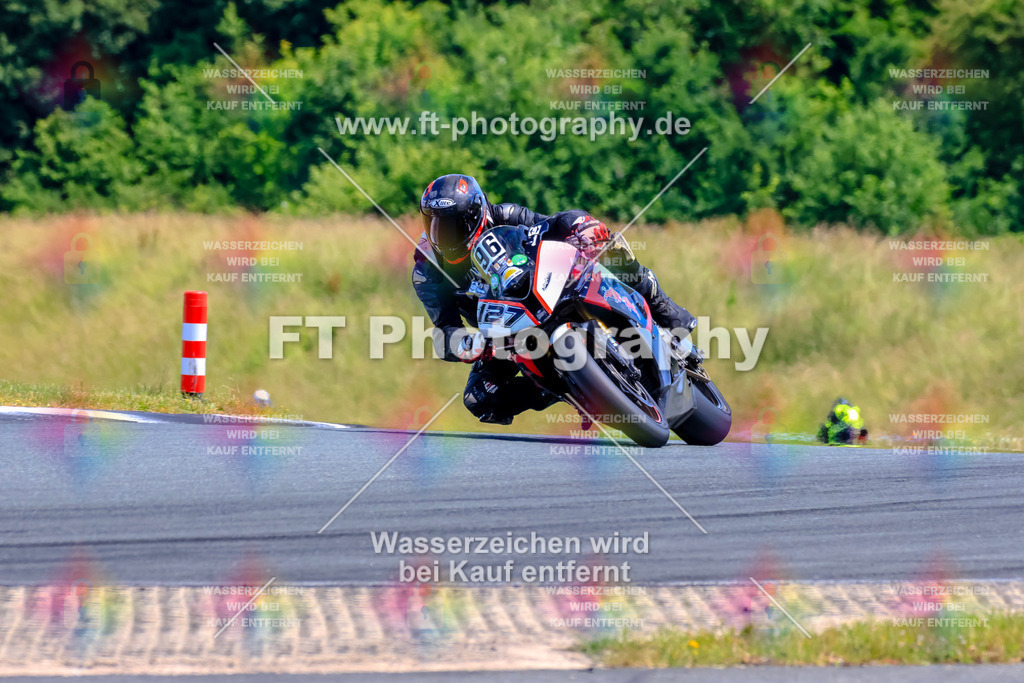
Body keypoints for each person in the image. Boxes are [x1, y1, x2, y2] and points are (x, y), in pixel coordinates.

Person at [413, 173, 697, 425]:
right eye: (435, 224)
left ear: (477, 213)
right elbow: (444, 332)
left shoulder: (505, 215)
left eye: (453, 226)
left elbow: (553, 224)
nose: (443, 236)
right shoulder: (427, 270)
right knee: (479, 399)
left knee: (605, 246)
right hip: (504, 334)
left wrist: (580, 228)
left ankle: (665, 310)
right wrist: (467, 344)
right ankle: (574, 391)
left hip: (548, 290)